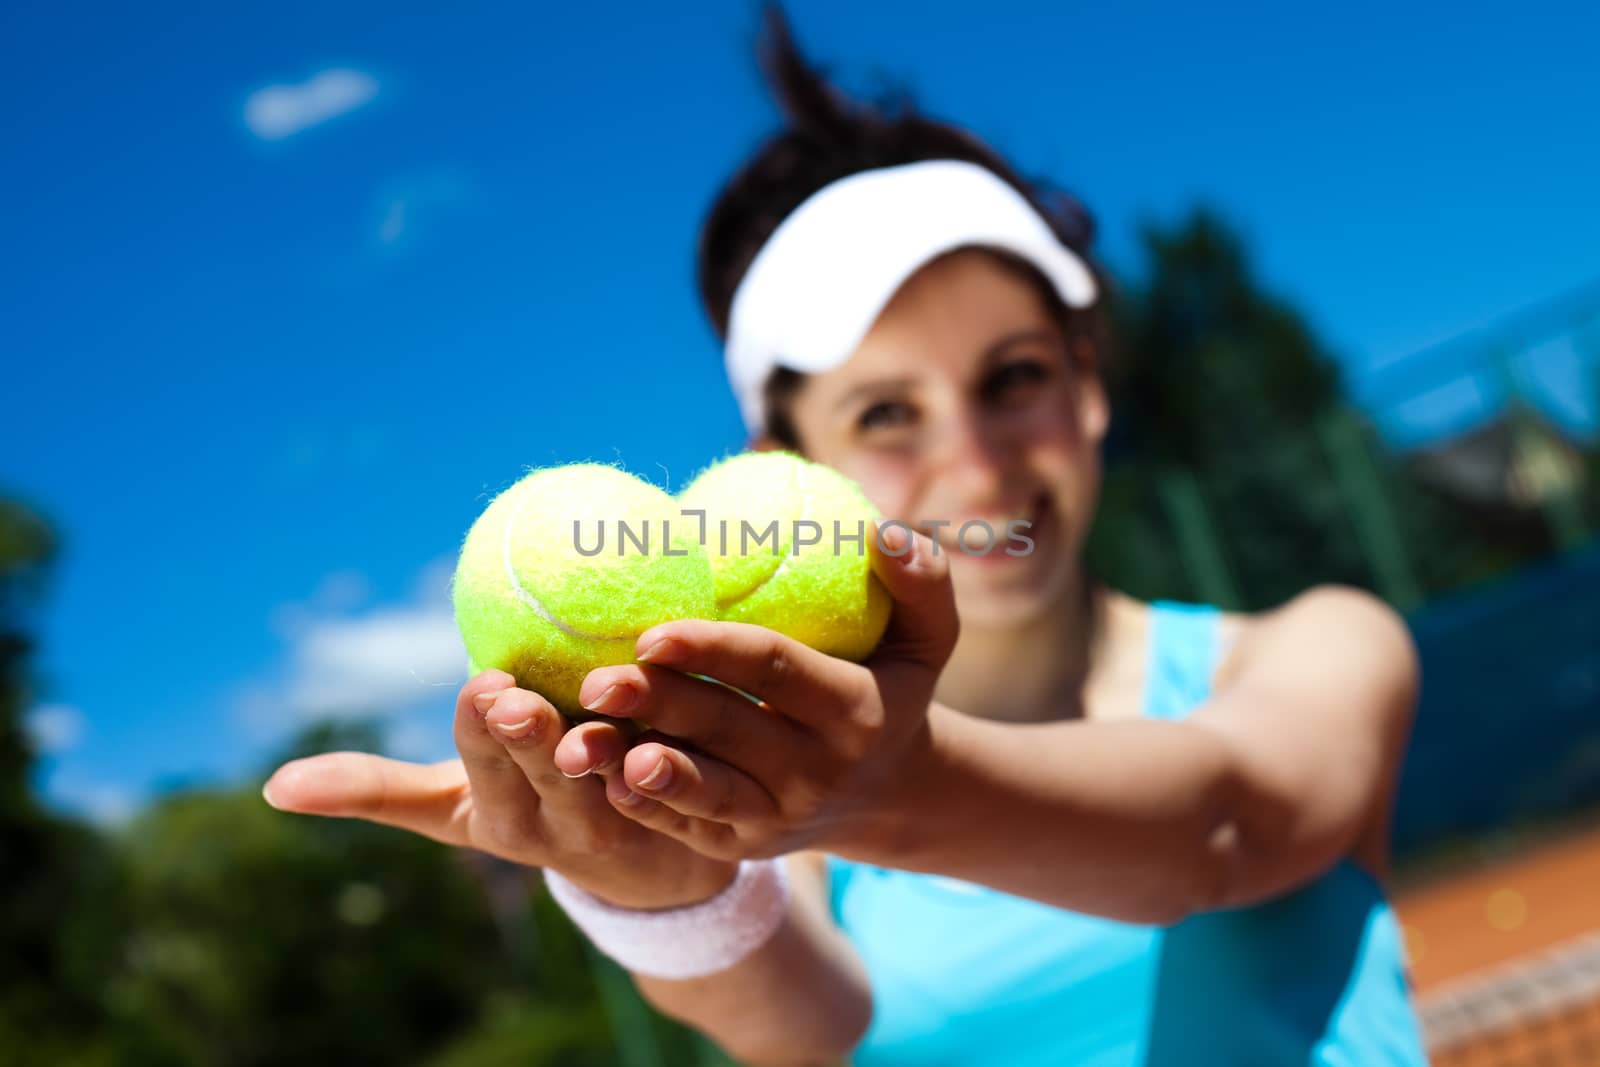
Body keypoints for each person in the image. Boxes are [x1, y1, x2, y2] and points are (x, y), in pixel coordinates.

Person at [263, 11, 1429, 1066]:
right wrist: (666, 895)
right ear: (780, 473)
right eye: (885, 413)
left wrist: (888, 791)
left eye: (1013, 377)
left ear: (1089, 390)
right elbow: (802, 1026)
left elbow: (1226, 827)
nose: (974, 463)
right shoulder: (771, 811)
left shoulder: (1319, 647)